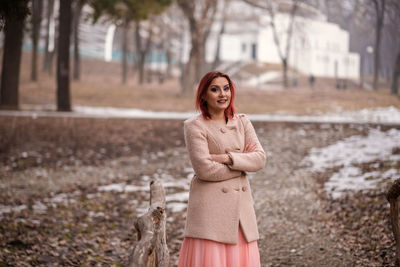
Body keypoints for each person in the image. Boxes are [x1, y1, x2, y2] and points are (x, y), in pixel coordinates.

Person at [178, 71, 266, 267]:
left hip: (241, 211)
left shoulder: (242, 121)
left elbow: (260, 159)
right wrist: (242, 165)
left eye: (226, 89)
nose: (222, 94)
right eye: (215, 89)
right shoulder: (194, 126)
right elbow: (205, 170)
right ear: (203, 95)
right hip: (210, 212)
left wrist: (227, 158)